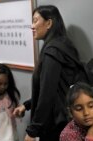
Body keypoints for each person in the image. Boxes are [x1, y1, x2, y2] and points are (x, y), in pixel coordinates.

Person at [13, 5, 80, 141]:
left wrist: (32, 131)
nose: (32, 26)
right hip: (65, 121)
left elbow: (47, 93)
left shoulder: (53, 50)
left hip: (55, 125)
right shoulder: (62, 45)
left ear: (49, 23)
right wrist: (26, 105)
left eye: (35, 20)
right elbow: (52, 88)